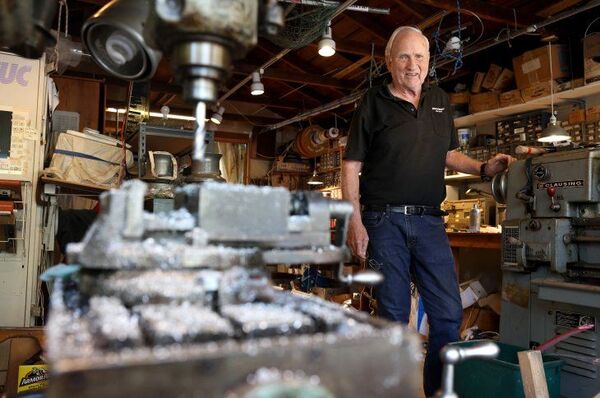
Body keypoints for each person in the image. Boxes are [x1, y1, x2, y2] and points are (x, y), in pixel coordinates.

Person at [342, 26, 514, 396]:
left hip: (429, 220)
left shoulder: (439, 101)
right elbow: (351, 165)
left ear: (428, 62)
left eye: (419, 56)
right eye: (403, 56)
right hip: (383, 219)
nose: (412, 64)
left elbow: (449, 153)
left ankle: (436, 390)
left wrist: (484, 169)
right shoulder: (372, 103)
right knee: (394, 314)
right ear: (389, 62)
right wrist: (354, 221)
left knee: (448, 315)